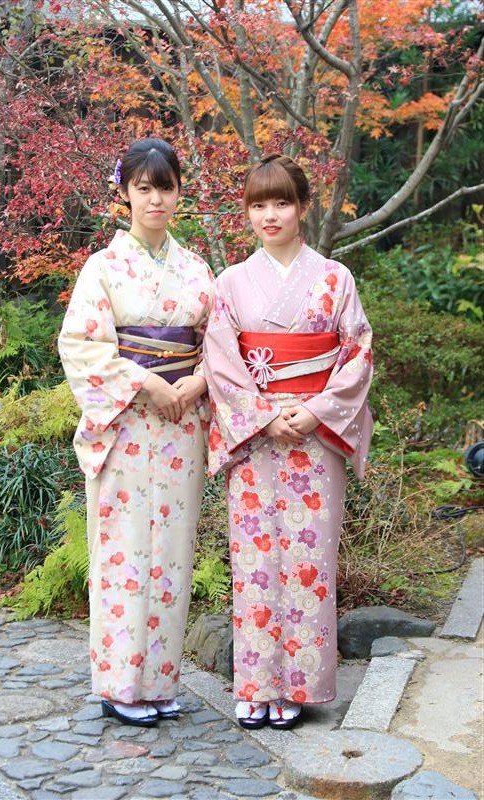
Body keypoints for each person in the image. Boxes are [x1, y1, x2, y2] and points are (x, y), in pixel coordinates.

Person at [203, 154, 373, 730]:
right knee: (253, 558)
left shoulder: (335, 278)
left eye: (282, 202)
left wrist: (316, 411)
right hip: (256, 437)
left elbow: (357, 352)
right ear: (248, 212)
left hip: (314, 434)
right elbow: (220, 359)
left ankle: (298, 686)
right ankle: (255, 683)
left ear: (303, 207)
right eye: (258, 205)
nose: (270, 215)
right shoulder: (230, 282)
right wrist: (260, 415)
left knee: (309, 558)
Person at [58, 138, 214, 726]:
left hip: (181, 424)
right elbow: (80, 345)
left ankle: (160, 681)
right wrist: (147, 382)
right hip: (125, 423)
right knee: (122, 550)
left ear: (179, 193)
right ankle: (120, 684)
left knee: (173, 549)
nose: (155, 199)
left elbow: (221, 347)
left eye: (165, 187)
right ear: (124, 192)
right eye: (143, 188)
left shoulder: (196, 269)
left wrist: (198, 383)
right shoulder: (102, 267)